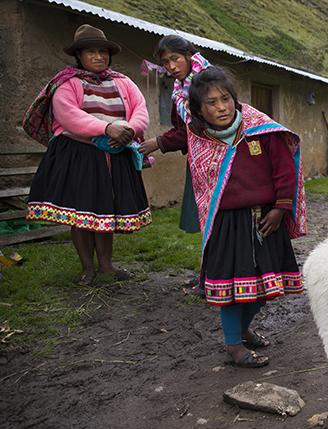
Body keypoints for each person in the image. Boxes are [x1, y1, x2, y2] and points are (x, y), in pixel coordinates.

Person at [186, 66, 306, 368]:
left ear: (234, 99)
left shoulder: (260, 130)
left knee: (265, 288)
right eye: (211, 103)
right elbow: (204, 181)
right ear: (199, 111)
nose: (221, 107)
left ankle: (241, 330)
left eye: (225, 98)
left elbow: (283, 169)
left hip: (266, 221)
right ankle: (233, 346)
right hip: (227, 224)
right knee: (231, 289)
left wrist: (280, 208)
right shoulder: (201, 139)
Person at [23, 24, 151, 286]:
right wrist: (106, 128)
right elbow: (69, 115)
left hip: (115, 154)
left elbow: (140, 109)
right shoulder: (67, 83)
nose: (98, 57)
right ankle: (87, 268)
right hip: (79, 155)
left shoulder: (123, 82)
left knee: (105, 213)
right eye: (91, 52)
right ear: (79, 55)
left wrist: (128, 129)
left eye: (103, 52)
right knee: (80, 213)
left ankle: (106, 266)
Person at [138, 35, 209, 293]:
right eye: (165, 62)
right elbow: (184, 128)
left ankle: (215, 275)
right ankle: (207, 271)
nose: (171, 66)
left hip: (217, 159)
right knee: (207, 219)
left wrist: (158, 141)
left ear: (190, 56)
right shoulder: (180, 89)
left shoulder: (207, 83)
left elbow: (199, 126)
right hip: (199, 158)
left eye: (175, 59)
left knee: (216, 217)